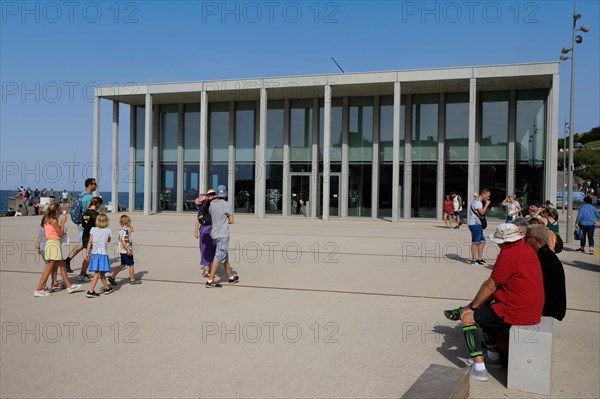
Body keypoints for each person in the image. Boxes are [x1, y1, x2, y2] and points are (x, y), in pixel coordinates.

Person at [457, 223, 544, 381]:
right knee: (487, 312)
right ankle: (493, 357)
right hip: (532, 307)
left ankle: (479, 369)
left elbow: (490, 286)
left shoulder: (509, 254)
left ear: (501, 242)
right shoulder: (526, 249)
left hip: (516, 310)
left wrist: (472, 307)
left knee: (467, 318)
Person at [34, 204, 83, 297]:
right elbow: (60, 234)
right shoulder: (54, 221)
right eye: (60, 209)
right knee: (49, 268)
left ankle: (69, 286)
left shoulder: (46, 219)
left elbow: (51, 231)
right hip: (54, 244)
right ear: (56, 211)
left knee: (63, 266)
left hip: (51, 244)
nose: (61, 210)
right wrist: (63, 222)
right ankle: (39, 289)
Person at [525, 224, 567, 321]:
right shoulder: (545, 254)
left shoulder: (544, 258)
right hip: (551, 305)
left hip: (547, 308)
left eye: (527, 237)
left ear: (537, 240)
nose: (525, 240)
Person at [206, 185, 239, 288]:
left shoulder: (212, 204)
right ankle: (210, 280)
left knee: (224, 255)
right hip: (223, 234)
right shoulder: (227, 205)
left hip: (214, 234)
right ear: (225, 194)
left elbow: (212, 216)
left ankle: (231, 277)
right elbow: (232, 221)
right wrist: (225, 220)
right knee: (219, 256)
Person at [64, 178, 96, 272]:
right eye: (94, 184)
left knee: (84, 244)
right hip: (85, 224)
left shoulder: (82, 194)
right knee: (85, 244)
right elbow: (90, 211)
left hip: (80, 222)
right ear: (89, 184)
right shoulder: (89, 197)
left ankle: (83, 268)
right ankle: (69, 262)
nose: (96, 185)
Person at [84, 214, 114, 298]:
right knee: (97, 272)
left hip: (94, 253)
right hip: (102, 254)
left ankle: (106, 288)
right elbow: (109, 240)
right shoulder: (108, 231)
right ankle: (90, 290)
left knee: (102, 272)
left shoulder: (93, 229)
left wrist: (87, 253)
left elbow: (89, 242)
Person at [108, 215, 140, 286]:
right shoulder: (125, 231)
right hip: (125, 250)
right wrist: (128, 249)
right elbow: (123, 241)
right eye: (130, 221)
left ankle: (112, 277)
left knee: (123, 264)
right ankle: (132, 280)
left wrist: (131, 230)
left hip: (122, 250)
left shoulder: (122, 229)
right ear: (127, 222)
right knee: (131, 264)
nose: (130, 222)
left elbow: (126, 238)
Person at [36, 214, 64, 293]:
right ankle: (43, 286)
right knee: (48, 267)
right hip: (48, 247)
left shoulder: (42, 226)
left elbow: (39, 237)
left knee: (54, 266)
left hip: (42, 248)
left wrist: (38, 247)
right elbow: (60, 234)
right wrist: (62, 224)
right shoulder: (50, 225)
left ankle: (54, 282)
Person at [77, 197, 103, 282]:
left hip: (85, 236)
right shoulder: (96, 214)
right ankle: (83, 273)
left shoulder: (85, 213)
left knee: (88, 255)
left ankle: (83, 273)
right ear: (98, 205)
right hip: (93, 237)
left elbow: (83, 225)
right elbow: (99, 227)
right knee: (94, 255)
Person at [194, 189, 217, 278]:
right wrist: (195, 231)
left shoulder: (215, 205)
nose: (212, 196)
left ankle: (208, 267)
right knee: (205, 249)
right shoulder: (205, 206)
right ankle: (207, 268)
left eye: (213, 194)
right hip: (206, 229)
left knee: (211, 248)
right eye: (211, 194)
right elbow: (198, 219)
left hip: (212, 229)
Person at [467, 189, 491, 265]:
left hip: (478, 224)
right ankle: (474, 260)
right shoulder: (478, 202)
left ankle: (479, 259)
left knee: (482, 241)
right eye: (488, 196)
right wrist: (487, 204)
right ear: (483, 194)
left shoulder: (478, 200)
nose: (488, 198)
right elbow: (481, 212)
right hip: (474, 224)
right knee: (475, 242)